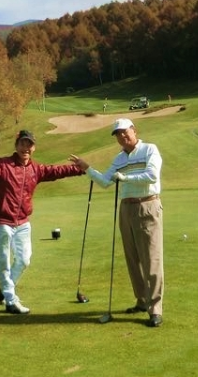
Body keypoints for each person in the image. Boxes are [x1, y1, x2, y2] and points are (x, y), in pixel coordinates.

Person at [0, 130, 85, 315]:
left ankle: (6, 288)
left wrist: (80, 169)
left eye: (29, 144)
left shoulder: (35, 169)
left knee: (24, 259)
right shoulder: (3, 164)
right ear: (16, 145)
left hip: (22, 221)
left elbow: (55, 171)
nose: (26, 148)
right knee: (3, 261)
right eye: (23, 144)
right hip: (1, 221)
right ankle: (10, 300)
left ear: (34, 148)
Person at [71, 117, 164, 328]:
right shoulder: (119, 158)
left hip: (147, 205)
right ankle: (142, 301)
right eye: (117, 134)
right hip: (126, 208)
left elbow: (151, 176)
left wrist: (125, 179)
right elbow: (105, 181)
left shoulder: (150, 150)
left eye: (124, 132)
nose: (122, 136)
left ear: (134, 130)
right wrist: (87, 168)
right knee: (133, 259)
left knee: (151, 259)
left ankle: (155, 308)